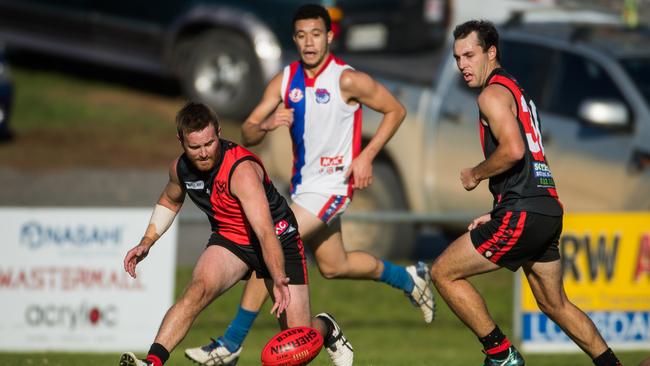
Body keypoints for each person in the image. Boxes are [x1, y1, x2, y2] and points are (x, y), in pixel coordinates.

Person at [184, 4, 434, 365]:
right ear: (295, 39)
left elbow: (396, 110)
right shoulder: (286, 81)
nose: (309, 42)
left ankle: (231, 343)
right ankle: (411, 278)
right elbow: (247, 132)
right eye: (301, 36)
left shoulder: (347, 79)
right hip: (303, 190)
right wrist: (267, 123)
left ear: (330, 36)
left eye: (316, 34)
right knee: (336, 265)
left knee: (268, 243)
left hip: (334, 186)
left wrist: (365, 156)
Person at [429, 20, 622, 366]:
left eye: (470, 55)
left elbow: (515, 150)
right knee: (554, 304)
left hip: (524, 211)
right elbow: (530, 159)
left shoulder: (491, 95)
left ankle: (500, 354)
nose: (463, 65)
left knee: (443, 272)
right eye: (458, 58)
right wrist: (499, 209)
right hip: (544, 209)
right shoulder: (515, 89)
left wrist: (476, 173)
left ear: (491, 52)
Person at [119, 102, 353, 366]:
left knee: (296, 348)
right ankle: (152, 362)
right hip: (230, 239)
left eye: (209, 143)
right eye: (194, 147)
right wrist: (147, 242)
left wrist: (277, 278)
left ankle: (326, 327)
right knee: (197, 291)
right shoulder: (180, 169)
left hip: (277, 238)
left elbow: (265, 232)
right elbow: (171, 201)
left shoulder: (241, 171)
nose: (204, 153)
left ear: (218, 132)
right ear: (180, 141)